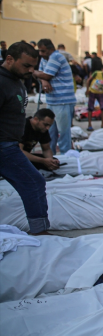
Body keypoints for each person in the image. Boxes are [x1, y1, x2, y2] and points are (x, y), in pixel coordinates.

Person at [0, 42, 50, 235]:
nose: (31, 70)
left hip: (10, 144)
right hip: (4, 146)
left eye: (33, 66)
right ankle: (40, 232)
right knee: (33, 182)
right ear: (10, 59)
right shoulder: (2, 82)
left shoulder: (15, 79)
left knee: (33, 182)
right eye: (26, 65)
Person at [32, 38, 77, 154]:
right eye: (40, 51)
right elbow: (43, 75)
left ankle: (66, 157)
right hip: (52, 100)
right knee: (50, 132)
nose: (41, 54)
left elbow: (45, 74)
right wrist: (43, 80)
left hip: (62, 100)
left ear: (51, 49)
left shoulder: (56, 57)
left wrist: (34, 72)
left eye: (43, 51)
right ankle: (50, 157)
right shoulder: (45, 59)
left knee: (63, 133)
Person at [85, 65, 103, 131]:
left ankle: (102, 124)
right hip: (92, 92)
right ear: (102, 70)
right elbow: (88, 80)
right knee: (90, 108)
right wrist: (87, 90)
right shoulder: (97, 73)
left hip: (101, 94)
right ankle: (89, 125)